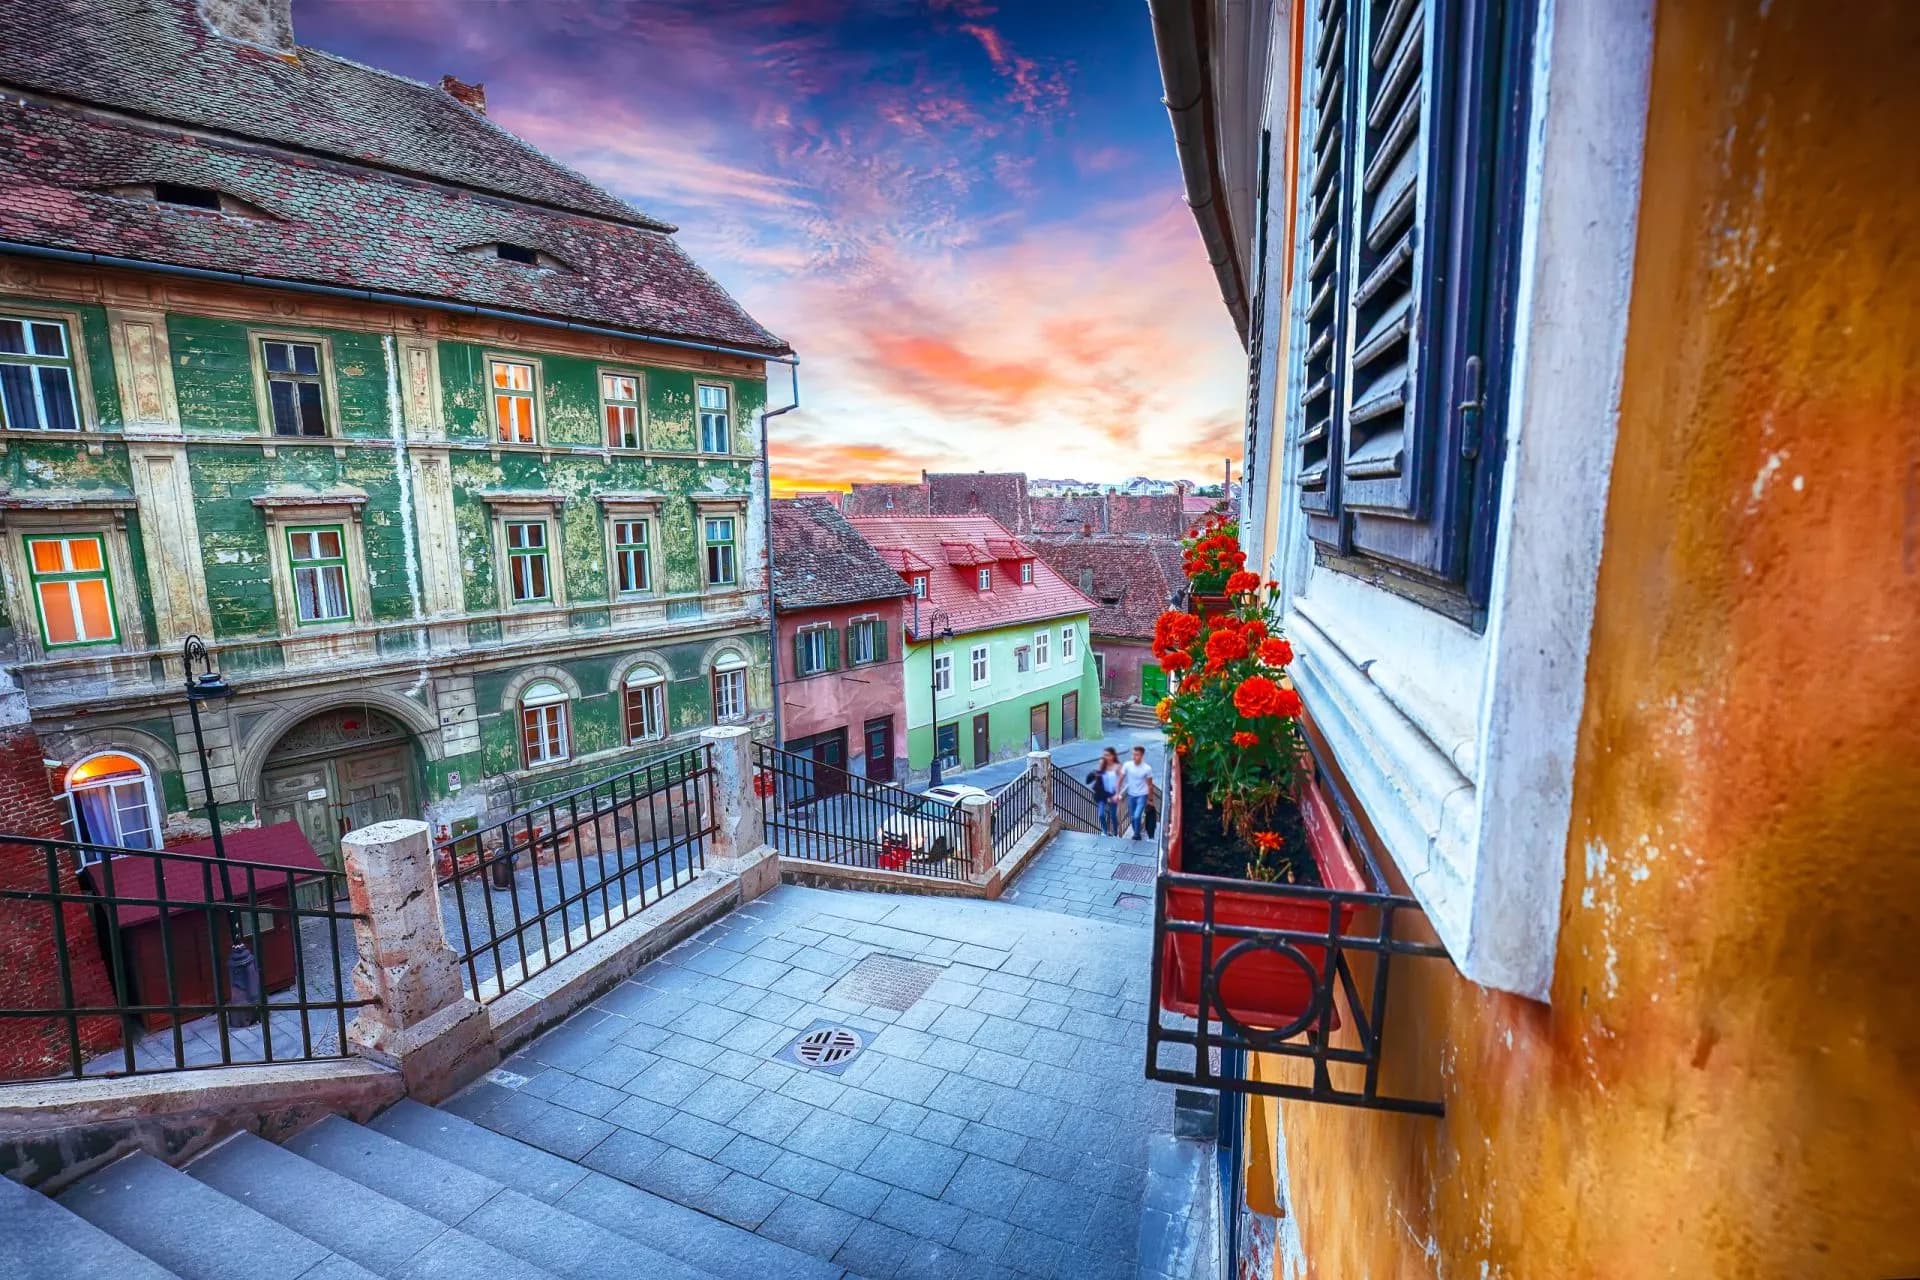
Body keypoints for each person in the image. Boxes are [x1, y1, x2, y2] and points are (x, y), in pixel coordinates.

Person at [1120, 745, 1155, 841]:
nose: (1134, 757)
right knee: (1132, 817)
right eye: (1133, 754)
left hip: (1142, 795)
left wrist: (1150, 799)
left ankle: (1136, 834)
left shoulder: (1147, 768)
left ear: (1142, 755)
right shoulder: (1127, 765)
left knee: (1137, 815)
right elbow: (1120, 778)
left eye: (1137, 755)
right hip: (1131, 795)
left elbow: (1150, 785)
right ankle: (1137, 831)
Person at [1086, 746, 1122, 836]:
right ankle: (1105, 831)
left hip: (1112, 794)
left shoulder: (1117, 767)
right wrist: (1094, 774)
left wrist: (1117, 794)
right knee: (1101, 814)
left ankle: (1115, 833)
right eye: (1104, 755)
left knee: (1113, 816)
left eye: (1108, 755)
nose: (1106, 757)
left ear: (1113, 756)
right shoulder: (1101, 767)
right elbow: (1089, 780)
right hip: (1102, 795)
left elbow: (1119, 782)